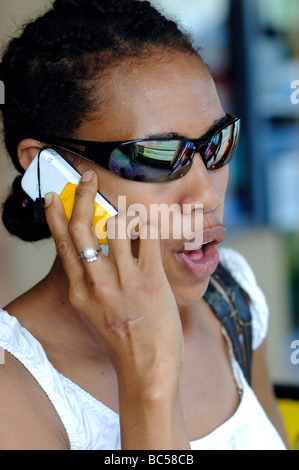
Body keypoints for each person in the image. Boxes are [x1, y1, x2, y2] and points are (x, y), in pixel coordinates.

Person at [0, 0, 289, 450]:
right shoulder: (12, 385)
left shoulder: (233, 301)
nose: (208, 195)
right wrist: (150, 382)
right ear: (51, 172)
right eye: (155, 158)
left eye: (217, 144)